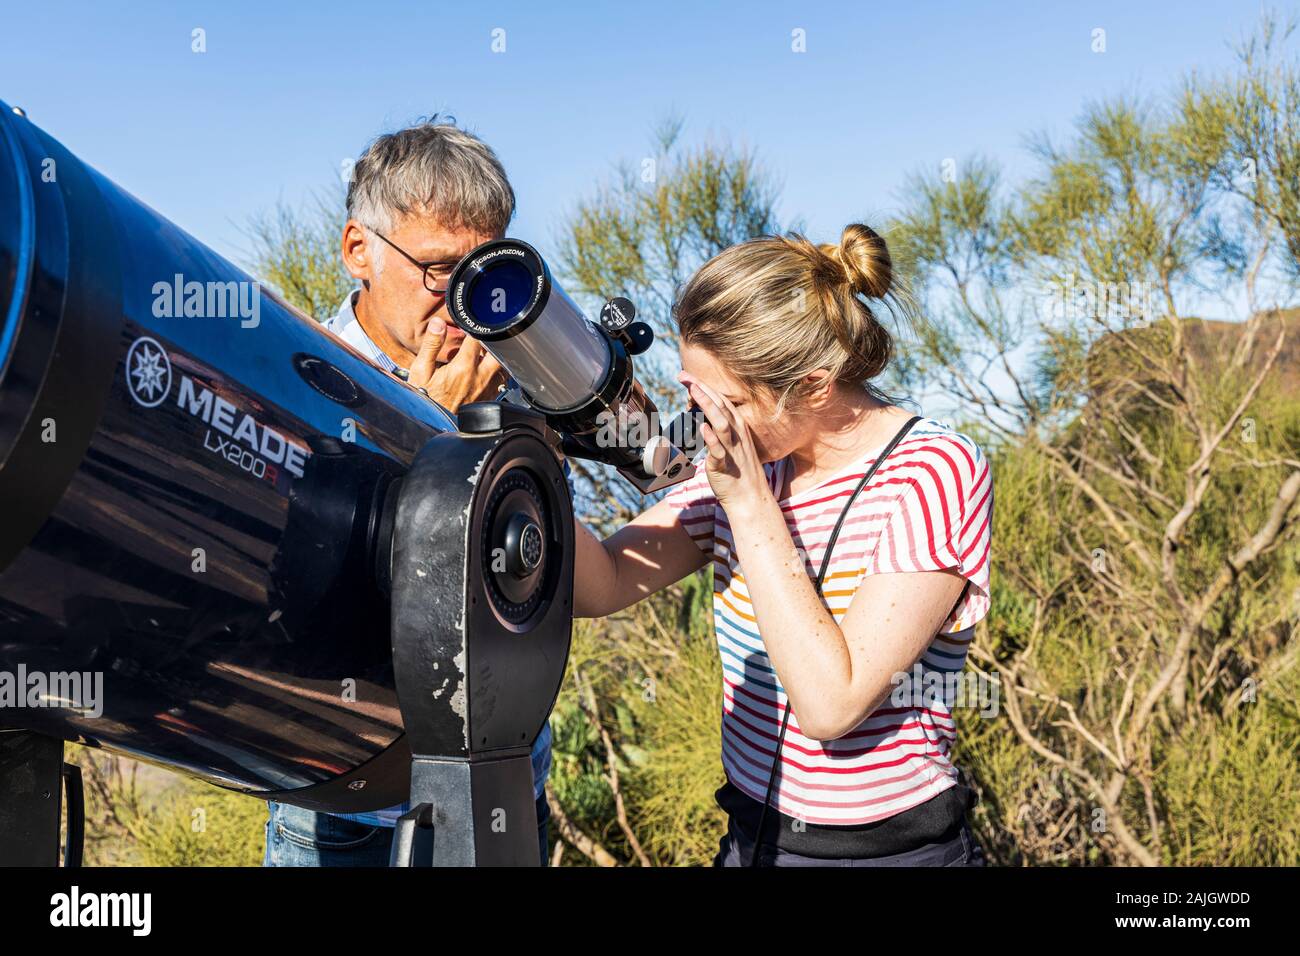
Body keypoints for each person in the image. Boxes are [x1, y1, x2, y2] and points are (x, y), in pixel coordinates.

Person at [572, 223, 993, 866]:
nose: (709, 422)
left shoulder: (933, 471)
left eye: (730, 401)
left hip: (884, 853)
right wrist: (520, 449)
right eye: (696, 394)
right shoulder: (755, 459)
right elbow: (599, 583)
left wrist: (747, 504)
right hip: (751, 836)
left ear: (817, 387)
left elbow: (831, 704)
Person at [264, 118, 554, 866]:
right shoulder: (293, 376)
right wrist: (422, 432)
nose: (463, 301)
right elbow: (297, 607)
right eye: (437, 270)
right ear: (358, 249)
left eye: (483, 268)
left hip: (506, 793)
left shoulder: (505, 371)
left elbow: (543, 581)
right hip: (345, 810)